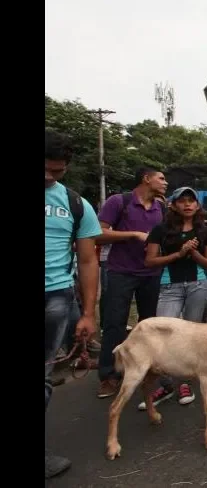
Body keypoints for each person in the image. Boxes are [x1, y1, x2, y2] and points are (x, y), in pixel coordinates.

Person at [45, 130, 102, 478]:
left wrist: (88, 313)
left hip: (55, 298)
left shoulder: (76, 203)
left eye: (57, 171)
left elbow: (87, 261)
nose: (49, 178)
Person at [138, 187, 207, 409]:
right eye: (182, 201)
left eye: (192, 201)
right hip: (168, 286)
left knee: (192, 337)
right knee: (163, 335)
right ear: (173, 205)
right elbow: (150, 261)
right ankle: (165, 384)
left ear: (198, 205)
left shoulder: (205, 231)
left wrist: (193, 253)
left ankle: (185, 384)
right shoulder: (160, 230)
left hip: (197, 286)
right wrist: (178, 254)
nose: (188, 204)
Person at [95, 166, 168, 399]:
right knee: (114, 324)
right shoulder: (119, 202)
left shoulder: (162, 208)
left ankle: (147, 371)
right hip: (121, 273)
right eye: (161, 178)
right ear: (146, 179)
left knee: (149, 326)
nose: (165, 183)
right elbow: (98, 233)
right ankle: (109, 375)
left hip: (152, 274)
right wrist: (134, 234)